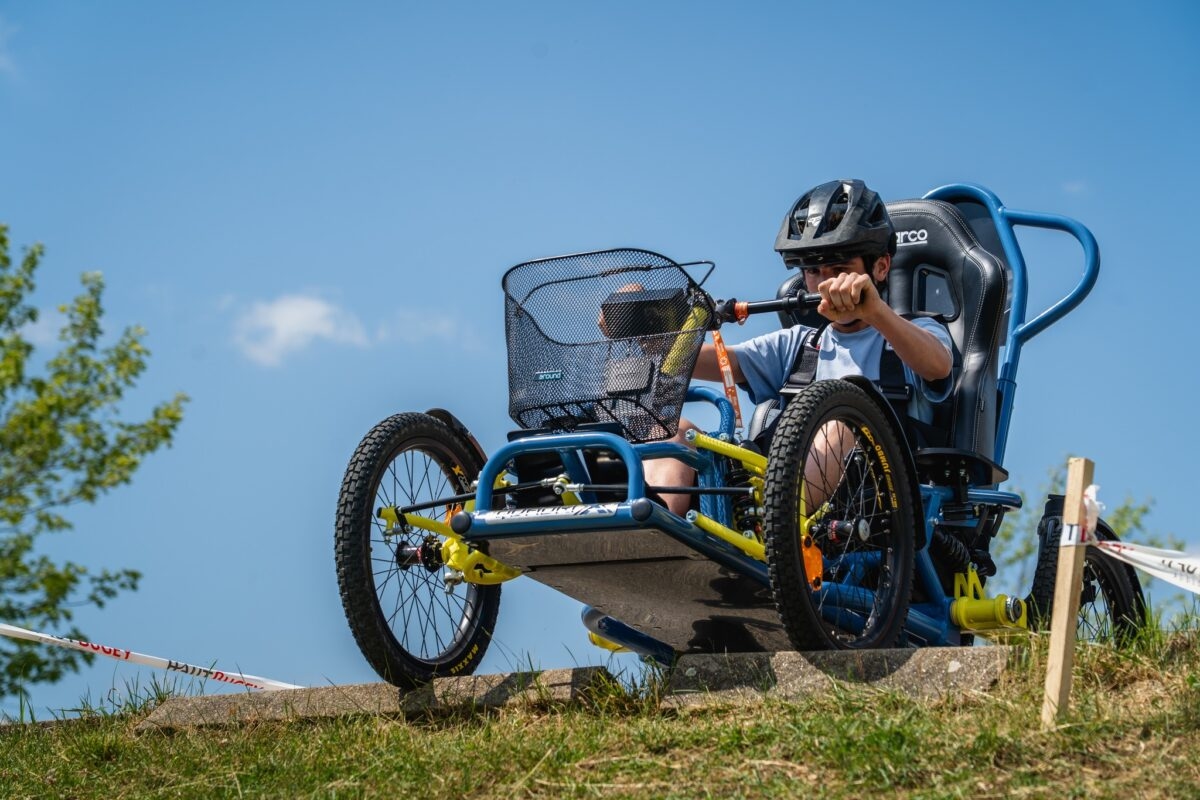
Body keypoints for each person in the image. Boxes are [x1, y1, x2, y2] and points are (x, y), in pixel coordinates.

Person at [647, 179, 954, 515]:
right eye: (812, 271)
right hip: (768, 484)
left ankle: (775, 521)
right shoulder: (800, 344)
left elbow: (937, 366)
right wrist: (642, 332)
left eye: (839, 269)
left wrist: (875, 311)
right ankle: (656, 534)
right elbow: (704, 362)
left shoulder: (914, 332)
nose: (825, 283)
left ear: (880, 267)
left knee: (841, 421)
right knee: (673, 431)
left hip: (871, 501)